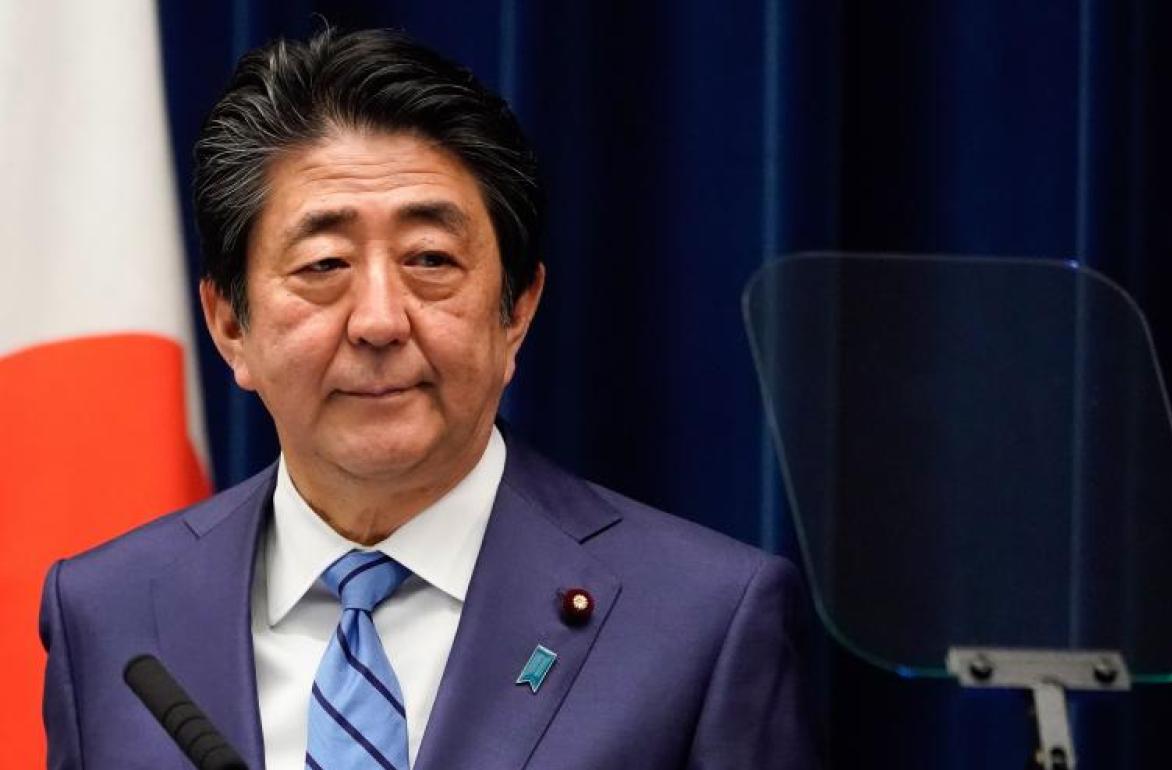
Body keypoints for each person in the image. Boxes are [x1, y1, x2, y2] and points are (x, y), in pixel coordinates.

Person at [40, 28, 819, 770]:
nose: (380, 320)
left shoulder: (700, 619)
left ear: (516, 312)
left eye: (430, 259)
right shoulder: (110, 610)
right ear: (229, 326)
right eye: (324, 265)